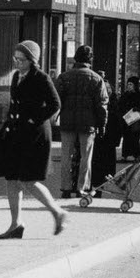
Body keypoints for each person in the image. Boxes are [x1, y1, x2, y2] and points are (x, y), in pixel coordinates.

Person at [0, 41, 69, 238]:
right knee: (11, 178)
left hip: (35, 135)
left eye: (22, 60)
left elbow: (55, 104)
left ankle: (58, 212)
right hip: (17, 133)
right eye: (15, 59)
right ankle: (15, 224)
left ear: (32, 60)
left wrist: (33, 118)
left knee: (28, 180)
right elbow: (15, 104)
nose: (17, 63)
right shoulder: (17, 76)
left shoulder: (41, 78)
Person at [53, 45, 109, 200]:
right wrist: (102, 125)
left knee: (66, 155)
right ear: (90, 59)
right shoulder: (97, 79)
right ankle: (81, 188)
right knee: (86, 157)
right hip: (88, 123)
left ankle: (65, 188)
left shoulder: (64, 77)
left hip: (67, 122)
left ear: (75, 59)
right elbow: (102, 105)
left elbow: (56, 100)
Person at [89, 73, 122, 195]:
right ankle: (96, 188)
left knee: (108, 167)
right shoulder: (97, 102)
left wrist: (117, 139)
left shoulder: (115, 103)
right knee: (96, 165)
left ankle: (104, 186)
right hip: (98, 139)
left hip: (110, 140)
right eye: (105, 88)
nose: (107, 91)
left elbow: (119, 123)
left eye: (109, 88)